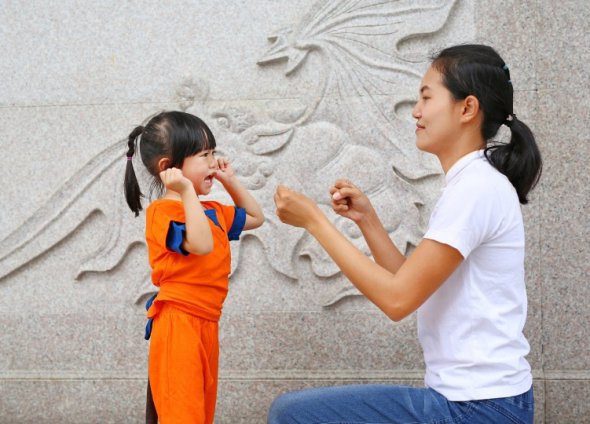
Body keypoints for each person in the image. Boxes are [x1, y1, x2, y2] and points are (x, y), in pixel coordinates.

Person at [270, 44, 542, 423]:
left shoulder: (476, 189)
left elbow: (397, 300)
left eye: (427, 97)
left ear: (467, 109)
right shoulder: (473, 184)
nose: (416, 111)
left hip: (477, 409)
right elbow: (410, 285)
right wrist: (368, 221)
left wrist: (315, 221)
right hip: (479, 403)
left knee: (292, 414)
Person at [123, 111, 264, 424]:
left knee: (200, 414)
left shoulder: (209, 210)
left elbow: (255, 217)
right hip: (179, 324)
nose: (213, 162)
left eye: (213, 153)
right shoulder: (163, 213)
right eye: (204, 155)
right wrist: (187, 192)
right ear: (168, 168)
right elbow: (200, 244)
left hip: (206, 323)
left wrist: (231, 182)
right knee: (182, 415)